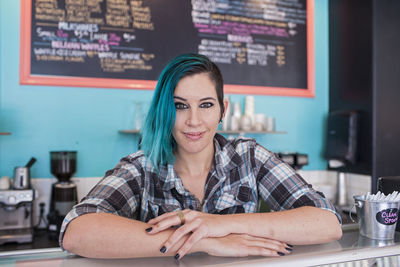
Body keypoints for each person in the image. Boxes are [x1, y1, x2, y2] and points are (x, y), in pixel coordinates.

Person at [60, 53, 342, 259]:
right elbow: (76, 232)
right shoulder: (141, 168)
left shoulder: (249, 157)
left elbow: (327, 223)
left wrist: (219, 224)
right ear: (164, 112)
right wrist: (202, 241)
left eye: (206, 105)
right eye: (180, 106)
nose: (194, 121)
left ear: (223, 110)